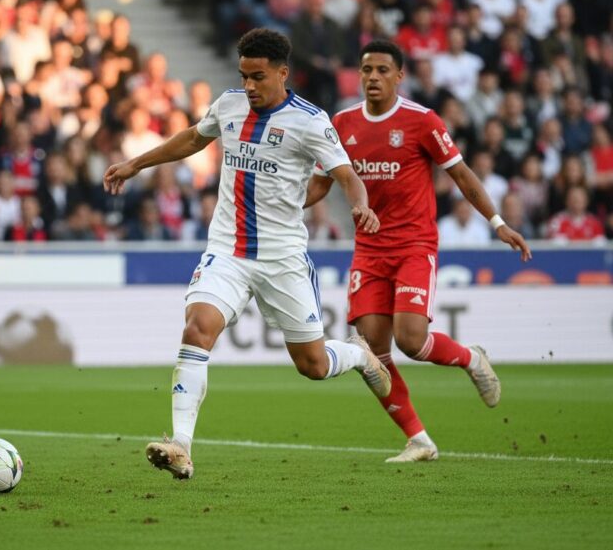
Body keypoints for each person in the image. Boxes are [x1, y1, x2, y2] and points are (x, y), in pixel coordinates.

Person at [103, 29, 388, 480]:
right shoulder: (230, 104)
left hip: (283, 259)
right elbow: (194, 139)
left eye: (258, 77)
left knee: (313, 366)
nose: (250, 86)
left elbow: (346, 174)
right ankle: (180, 444)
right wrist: (137, 163)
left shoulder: (311, 121)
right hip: (228, 250)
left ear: (282, 73)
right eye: (244, 76)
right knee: (197, 328)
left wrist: (361, 204)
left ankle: (357, 355)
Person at [304, 40, 532, 463]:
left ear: (399, 76)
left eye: (382, 70)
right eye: (366, 69)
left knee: (411, 340)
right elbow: (321, 182)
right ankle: (419, 440)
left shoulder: (421, 121)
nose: (373, 77)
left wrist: (498, 224)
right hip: (368, 250)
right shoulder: (342, 123)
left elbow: (461, 175)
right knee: (372, 353)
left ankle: (471, 359)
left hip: (413, 244)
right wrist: (284, 206)